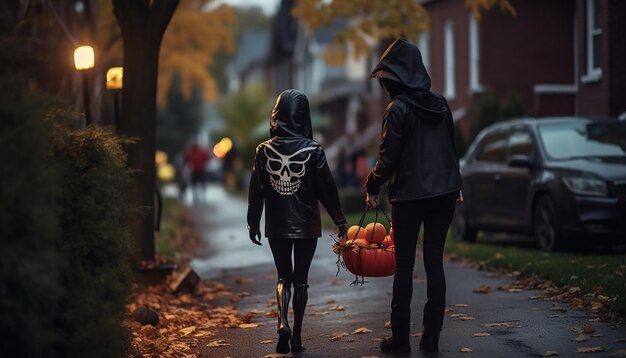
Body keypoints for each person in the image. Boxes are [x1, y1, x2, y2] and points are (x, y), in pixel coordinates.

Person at [364, 39, 463, 353]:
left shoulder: (398, 109)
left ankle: (401, 339)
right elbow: (452, 147)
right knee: (435, 262)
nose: (384, 87)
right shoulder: (442, 104)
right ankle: (431, 337)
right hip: (444, 195)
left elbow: (388, 157)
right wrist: (454, 185)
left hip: (409, 197)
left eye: (386, 80)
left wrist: (371, 184)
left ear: (396, 79)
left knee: (404, 266)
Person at [247, 89, 347, 354]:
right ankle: (298, 338)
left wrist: (252, 222)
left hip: (277, 225)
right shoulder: (314, 150)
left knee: (283, 277)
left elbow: (255, 189)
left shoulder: (263, 151)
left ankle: (282, 321)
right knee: (301, 281)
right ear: (304, 116)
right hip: (306, 225)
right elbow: (327, 189)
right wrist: (340, 220)